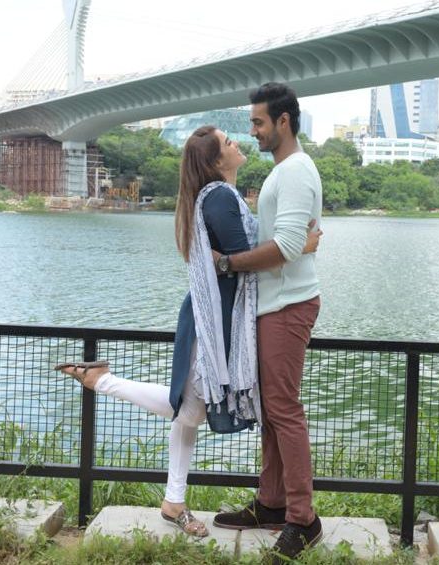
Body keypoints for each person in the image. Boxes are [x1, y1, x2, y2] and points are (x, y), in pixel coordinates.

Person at [55, 125, 320, 538]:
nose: (237, 142)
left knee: (189, 409)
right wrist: (299, 246)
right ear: (216, 161)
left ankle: (173, 499)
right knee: (190, 409)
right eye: (228, 142)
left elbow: (236, 255)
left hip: (211, 315)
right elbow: (244, 260)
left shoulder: (218, 196)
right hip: (212, 320)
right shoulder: (219, 198)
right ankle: (102, 381)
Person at [212, 82, 324, 563]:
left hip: (287, 305)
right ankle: (271, 503)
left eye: (258, 122)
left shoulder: (295, 171)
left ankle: (303, 520)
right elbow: (293, 241)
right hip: (274, 304)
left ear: (283, 121)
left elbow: (286, 247)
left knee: (284, 410)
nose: (253, 130)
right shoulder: (284, 171)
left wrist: (226, 263)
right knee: (273, 412)